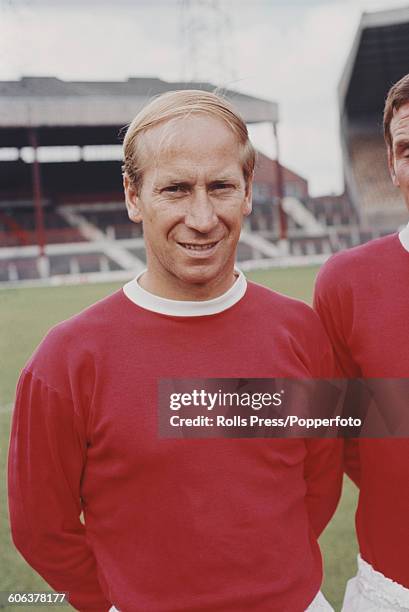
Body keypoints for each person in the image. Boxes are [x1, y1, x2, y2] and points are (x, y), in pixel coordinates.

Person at [9, 90, 342, 612]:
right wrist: (122, 600)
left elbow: (320, 479)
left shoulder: (301, 330)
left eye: (221, 187)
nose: (203, 217)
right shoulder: (67, 359)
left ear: (249, 190)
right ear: (134, 197)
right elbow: (40, 528)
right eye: (176, 189)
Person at [314, 73, 409, 611]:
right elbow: (343, 434)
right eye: (408, 148)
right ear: (392, 166)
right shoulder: (346, 282)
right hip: (391, 588)